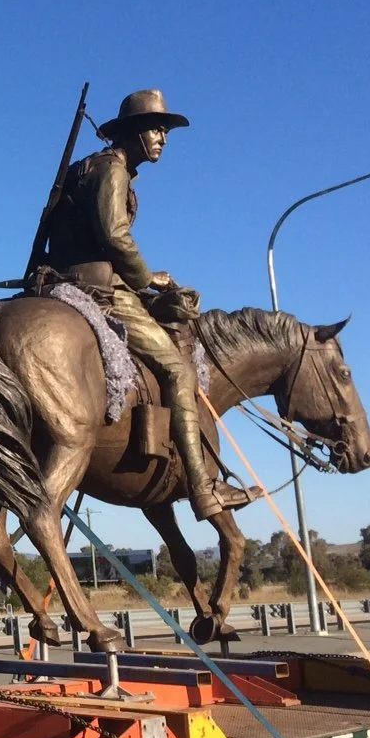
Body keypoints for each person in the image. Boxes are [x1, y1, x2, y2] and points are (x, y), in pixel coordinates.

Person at [45, 89, 251, 521]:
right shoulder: (113, 170)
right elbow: (115, 236)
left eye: (164, 130)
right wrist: (146, 278)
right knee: (177, 369)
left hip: (78, 276)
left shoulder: (94, 169)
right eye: (156, 128)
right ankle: (203, 488)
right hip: (100, 288)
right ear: (134, 132)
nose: (163, 138)